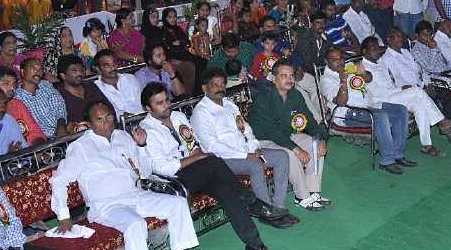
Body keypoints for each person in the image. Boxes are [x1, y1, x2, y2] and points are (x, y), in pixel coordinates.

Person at [49, 101, 203, 250]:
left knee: (177, 203)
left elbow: (144, 172)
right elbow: (59, 180)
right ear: (89, 123)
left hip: (135, 194)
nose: (107, 123)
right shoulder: (81, 148)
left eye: (109, 117)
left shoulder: (123, 137)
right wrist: (63, 215)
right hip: (107, 205)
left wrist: (141, 146)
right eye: (99, 119)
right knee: (134, 224)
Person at [141, 81, 294, 237]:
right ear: (148, 108)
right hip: (175, 181)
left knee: (224, 189)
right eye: (160, 103)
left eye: (167, 99)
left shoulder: (178, 116)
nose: (166, 104)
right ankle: (253, 202)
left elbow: (193, 144)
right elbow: (164, 168)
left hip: (197, 170)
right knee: (213, 161)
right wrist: (199, 157)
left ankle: (254, 242)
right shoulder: (148, 130)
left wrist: (197, 153)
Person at [191, 68, 295, 214]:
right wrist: (247, 156)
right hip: (222, 160)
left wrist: (255, 148)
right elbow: (212, 147)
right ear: (204, 88)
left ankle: (279, 207)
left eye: (223, 84)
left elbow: (246, 129)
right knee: (254, 165)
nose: (220, 88)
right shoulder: (201, 112)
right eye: (215, 85)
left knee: (281, 156)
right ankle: (266, 210)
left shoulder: (229, 104)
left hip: (246, 152)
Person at [361, 36, 451, 156]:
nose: (377, 51)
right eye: (372, 48)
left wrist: (400, 88)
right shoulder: (363, 68)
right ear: (364, 51)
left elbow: (392, 82)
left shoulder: (380, 62)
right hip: (381, 100)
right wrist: (400, 89)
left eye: (377, 48)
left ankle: (426, 145)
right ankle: (442, 121)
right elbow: (377, 93)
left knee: (419, 104)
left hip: (393, 94)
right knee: (417, 90)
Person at [248, 59, 329, 210]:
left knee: (314, 144)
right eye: (284, 76)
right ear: (274, 78)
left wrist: (321, 138)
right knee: (289, 154)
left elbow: (309, 120)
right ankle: (301, 197)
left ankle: (313, 191)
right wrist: (296, 148)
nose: (289, 79)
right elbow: (271, 131)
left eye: (291, 76)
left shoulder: (295, 95)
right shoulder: (264, 97)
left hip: (286, 135)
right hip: (264, 141)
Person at [319, 46, 413, 175]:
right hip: (346, 114)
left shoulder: (349, 66)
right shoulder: (325, 80)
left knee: (400, 110)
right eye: (334, 59)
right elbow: (341, 102)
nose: (340, 61)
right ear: (326, 61)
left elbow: (369, 79)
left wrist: (363, 73)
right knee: (379, 116)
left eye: (341, 57)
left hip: (368, 104)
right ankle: (387, 160)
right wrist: (344, 81)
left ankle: (398, 153)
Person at [15, 57, 68, 138]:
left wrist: (61, 127)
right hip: (42, 141)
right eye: (33, 69)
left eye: (40, 70)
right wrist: (55, 133)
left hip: (62, 131)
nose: (38, 73)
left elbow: (60, 108)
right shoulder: (17, 97)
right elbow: (30, 127)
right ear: (22, 72)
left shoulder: (46, 85)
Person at [56, 55, 108, 125]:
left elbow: (108, 107)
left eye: (81, 69)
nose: (79, 73)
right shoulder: (58, 96)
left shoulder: (90, 86)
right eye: (74, 70)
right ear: (63, 75)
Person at [93, 50, 144, 117]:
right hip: (122, 124)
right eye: (106, 65)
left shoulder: (130, 78)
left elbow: (142, 101)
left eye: (114, 63)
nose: (113, 68)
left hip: (144, 119)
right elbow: (112, 111)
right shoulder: (96, 88)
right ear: (98, 69)